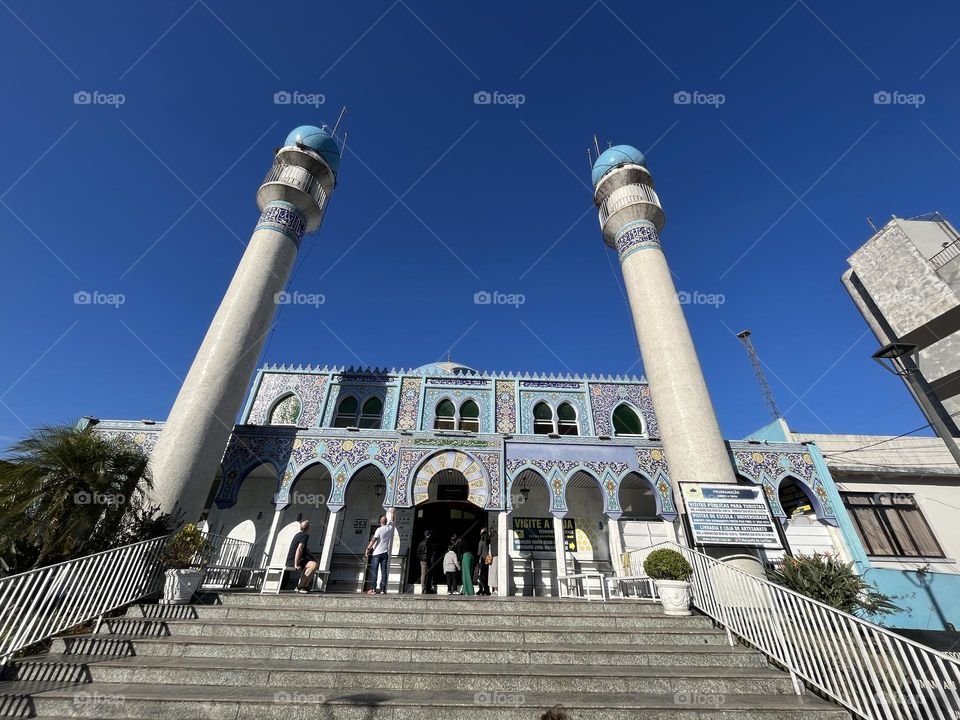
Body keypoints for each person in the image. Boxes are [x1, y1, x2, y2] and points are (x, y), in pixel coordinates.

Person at [365, 507, 395, 595]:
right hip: (385, 553)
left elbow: (373, 540)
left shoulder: (379, 530)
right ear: (385, 521)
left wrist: (367, 549)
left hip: (377, 554)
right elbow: (392, 520)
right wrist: (392, 512)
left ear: (380, 522)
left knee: (374, 571)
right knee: (384, 571)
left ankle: (373, 589)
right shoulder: (390, 527)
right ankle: (383, 589)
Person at [286, 520, 318, 593]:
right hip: (294, 560)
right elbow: (299, 549)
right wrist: (296, 563)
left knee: (314, 563)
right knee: (313, 565)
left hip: (296, 559)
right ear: (308, 527)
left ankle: (305, 586)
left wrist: (312, 557)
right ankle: (300, 586)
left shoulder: (297, 535)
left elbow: (305, 549)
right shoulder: (305, 535)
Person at [417, 529, 437, 594]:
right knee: (428, 574)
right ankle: (427, 588)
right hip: (428, 560)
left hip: (422, 560)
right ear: (429, 535)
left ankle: (423, 588)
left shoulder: (421, 542)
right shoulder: (430, 542)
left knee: (423, 574)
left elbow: (418, 552)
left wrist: (421, 558)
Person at [476, 527, 491, 596]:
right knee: (487, 575)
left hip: (482, 559)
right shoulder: (489, 542)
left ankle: (481, 589)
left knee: (481, 575)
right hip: (488, 558)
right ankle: (487, 590)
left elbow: (479, 553)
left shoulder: (481, 542)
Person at [488, 528, 499, 595]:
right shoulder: (496, 537)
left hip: (494, 557)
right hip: (494, 557)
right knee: (494, 574)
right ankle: (495, 589)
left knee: (494, 574)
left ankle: (496, 590)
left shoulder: (494, 539)